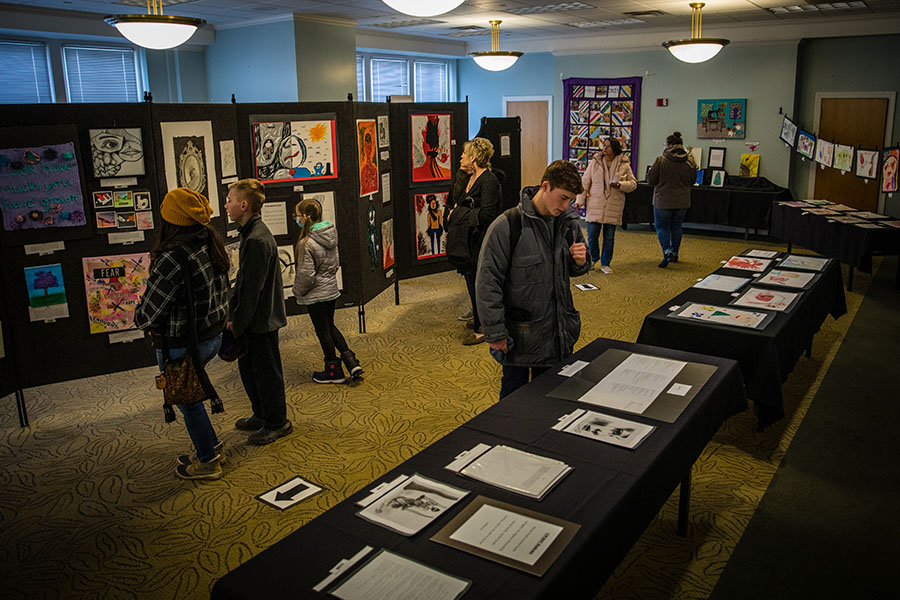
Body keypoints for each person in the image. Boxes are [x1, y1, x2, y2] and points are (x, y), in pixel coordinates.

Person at [134, 188, 230, 480]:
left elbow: (149, 313)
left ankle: (208, 461)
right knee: (193, 397)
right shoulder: (209, 243)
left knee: (189, 402)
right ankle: (211, 445)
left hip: (183, 343)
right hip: (211, 336)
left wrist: (139, 316)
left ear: (171, 220)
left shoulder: (172, 257)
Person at [476, 160, 591, 399]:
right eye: (563, 198)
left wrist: (580, 262)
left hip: (558, 334)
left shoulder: (568, 224)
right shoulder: (508, 225)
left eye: (571, 200)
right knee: (512, 405)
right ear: (545, 186)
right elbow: (488, 282)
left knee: (553, 402)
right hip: (521, 339)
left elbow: (574, 267)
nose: (567, 205)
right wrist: (495, 333)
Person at [224, 178, 292, 446]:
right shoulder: (252, 234)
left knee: (266, 373)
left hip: (260, 321)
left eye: (230, 200)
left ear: (243, 205)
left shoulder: (256, 239)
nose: (226, 205)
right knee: (251, 370)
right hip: (256, 320)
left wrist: (237, 323)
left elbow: (251, 290)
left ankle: (277, 422)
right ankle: (261, 414)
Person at [292, 197, 363, 384]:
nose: (296, 219)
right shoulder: (330, 235)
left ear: (305, 217)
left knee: (322, 330)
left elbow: (306, 275)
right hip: (330, 289)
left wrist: (297, 291)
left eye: (297, 216)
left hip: (315, 294)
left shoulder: (306, 243)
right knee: (330, 326)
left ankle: (333, 370)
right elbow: (335, 264)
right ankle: (351, 361)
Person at [446, 138, 502, 346]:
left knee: (480, 285)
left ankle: (483, 328)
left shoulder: (489, 181)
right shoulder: (468, 179)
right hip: (467, 241)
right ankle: (479, 319)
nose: (461, 156)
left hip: (481, 241)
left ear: (475, 158)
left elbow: (488, 215)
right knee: (471, 282)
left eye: (465, 153)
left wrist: (458, 215)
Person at [574, 138, 637, 274]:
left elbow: (633, 184)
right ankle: (592, 259)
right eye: (604, 146)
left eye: (608, 146)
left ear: (614, 149)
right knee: (591, 235)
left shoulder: (624, 164)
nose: (604, 148)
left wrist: (621, 185)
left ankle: (606, 263)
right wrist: (579, 200)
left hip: (613, 204)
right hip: (595, 204)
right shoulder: (594, 163)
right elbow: (585, 183)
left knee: (609, 236)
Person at [647, 131, 696, 268]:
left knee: (662, 227)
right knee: (676, 227)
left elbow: (651, 180)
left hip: (663, 200)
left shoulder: (661, 160)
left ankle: (666, 251)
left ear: (668, 145)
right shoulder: (690, 160)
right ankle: (675, 253)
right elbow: (692, 181)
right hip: (682, 200)